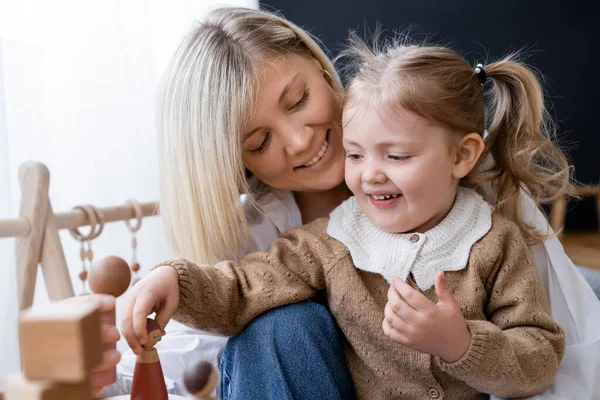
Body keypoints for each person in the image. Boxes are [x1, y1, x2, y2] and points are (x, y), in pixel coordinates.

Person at [101, 6, 600, 400]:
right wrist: (175, 280)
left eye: (297, 101)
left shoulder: (492, 230)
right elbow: (242, 288)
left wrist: (464, 345)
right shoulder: (326, 240)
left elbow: (548, 352)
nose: (298, 141)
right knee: (280, 324)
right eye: (258, 142)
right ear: (235, 161)